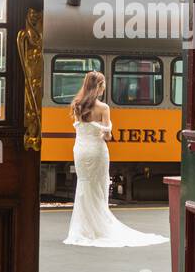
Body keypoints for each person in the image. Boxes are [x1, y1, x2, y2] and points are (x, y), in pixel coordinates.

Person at [63, 70, 168, 247]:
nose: (104, 88)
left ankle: (83, 228)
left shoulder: (77, 105)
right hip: (97, 151)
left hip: (80, 151)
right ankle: (99, 227)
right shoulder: (104, 108)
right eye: (103, 85)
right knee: (99, 185)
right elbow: (107, 136)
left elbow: (80, 128)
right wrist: (105, 131)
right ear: (98, 86)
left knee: (84, 184)